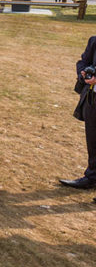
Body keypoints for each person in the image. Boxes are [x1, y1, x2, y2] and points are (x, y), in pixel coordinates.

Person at [59, 35, 96, 190]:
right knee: (93, 140)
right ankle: (92, 178)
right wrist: (83, 73)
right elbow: (83, 62)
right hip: (92, 98)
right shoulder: (94, 41)